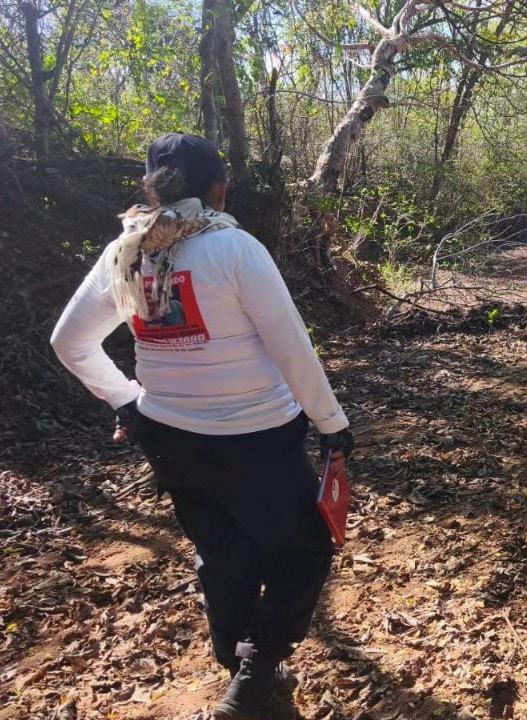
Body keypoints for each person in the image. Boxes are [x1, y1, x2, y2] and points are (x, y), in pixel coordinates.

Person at [50, 133, 353, 720]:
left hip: (169, 437)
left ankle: (244, 677)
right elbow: (291, 346)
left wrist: (127, 401)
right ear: (219, 189)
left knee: (222, 554)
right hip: (258, 435)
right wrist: (331, 422)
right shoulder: (235, 248)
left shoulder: (125, 252)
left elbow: (70, 342)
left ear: (152, 187)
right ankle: (257, 670)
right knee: (305, 548)